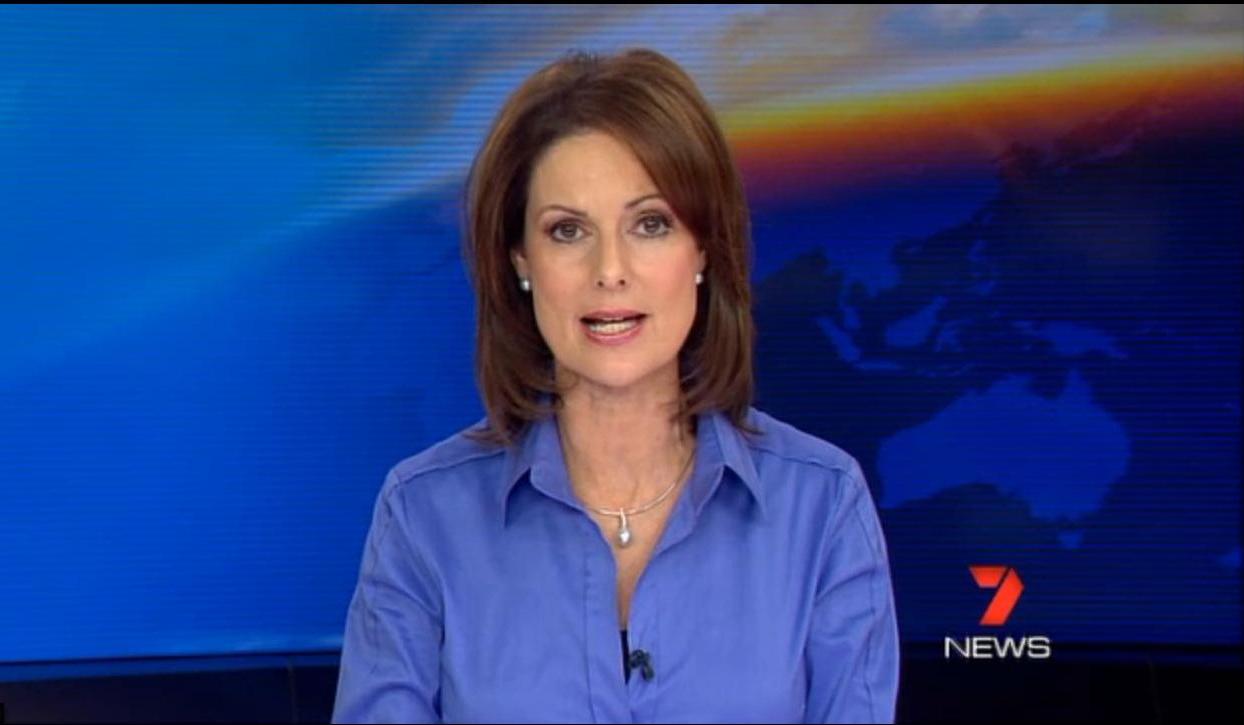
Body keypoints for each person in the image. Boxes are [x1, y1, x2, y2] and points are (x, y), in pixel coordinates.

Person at [332, 47, 900, 723]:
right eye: (568, 230)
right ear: (520, 260)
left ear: (702, 248)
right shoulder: (423, 516)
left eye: (650, 224)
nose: (610, 270)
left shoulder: (823, 505)